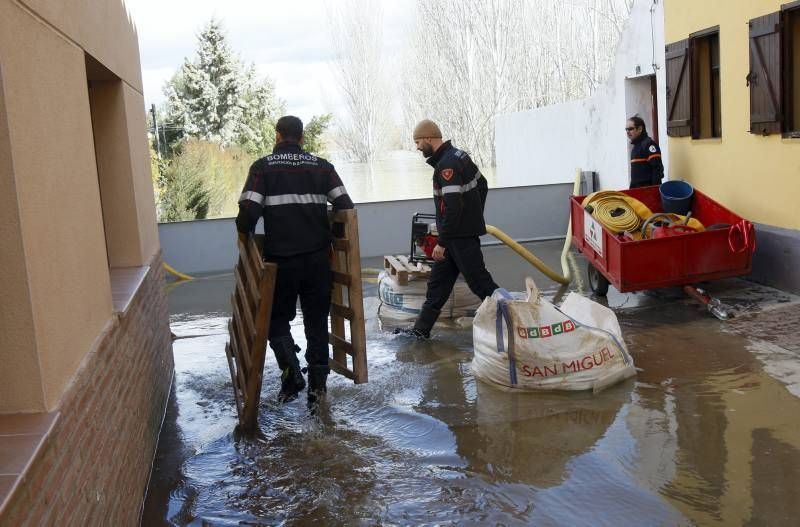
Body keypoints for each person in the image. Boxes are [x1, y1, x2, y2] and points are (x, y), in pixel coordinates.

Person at [236, 115, 354, 406]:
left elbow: (248, 215)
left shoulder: (263, 168)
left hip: (281, 264)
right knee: (316, 325)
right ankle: (317, 393)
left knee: (275, 319)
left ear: (277, 136)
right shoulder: (323, 167)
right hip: (317, 263)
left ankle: (291, 373)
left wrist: (247, 229)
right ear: (302, 138)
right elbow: (345, 207)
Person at [395, 119, 499, 339]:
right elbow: (483, 185)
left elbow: (453, 207)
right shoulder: (459, 155)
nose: (417, 147)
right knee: (438, 287)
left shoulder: (447, 165)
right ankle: (420, 331)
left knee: (480, 283)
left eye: (418, 142)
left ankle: (517, 320)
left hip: (457, 238)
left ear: (429, 138)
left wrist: (442, 242)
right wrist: (473, 217)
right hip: (457, 235)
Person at [626, 115, 664, 188]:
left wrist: (654, 190)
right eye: (626, 129)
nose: (627, 132)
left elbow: (657, 169)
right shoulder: (636, 147)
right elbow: (635, 175)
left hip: (648, 191)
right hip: (637, 191)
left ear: (640, 129)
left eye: (630, 129)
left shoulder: (649, 144)